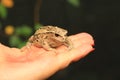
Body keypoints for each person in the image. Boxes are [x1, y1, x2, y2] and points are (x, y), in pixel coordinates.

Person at [0, 33, 94, 80]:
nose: (62, 37)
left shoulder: (61, 37)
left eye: (63, 35)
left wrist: (70, 45)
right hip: (40, 37)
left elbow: (65, 38)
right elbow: (43, 42)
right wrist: (50, 49)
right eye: (58, 36)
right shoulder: (47, 38)